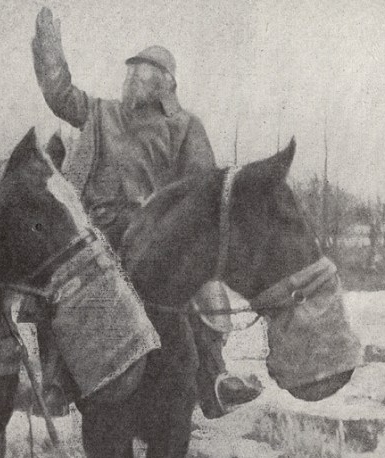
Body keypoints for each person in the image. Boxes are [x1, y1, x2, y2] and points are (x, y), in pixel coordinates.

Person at [31, 7, 261, 418]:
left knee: (196, 282)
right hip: (96, 227)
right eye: (129, 74)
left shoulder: (186, 127)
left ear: (164, 85)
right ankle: (56, 380)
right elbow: (60, 95)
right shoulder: (101, 112)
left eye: (140, 76)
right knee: (59, 281)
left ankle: (214, 380)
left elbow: (201, 187)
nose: (130, 82)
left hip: (154, 232)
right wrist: (49, 52)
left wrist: (178, 225)